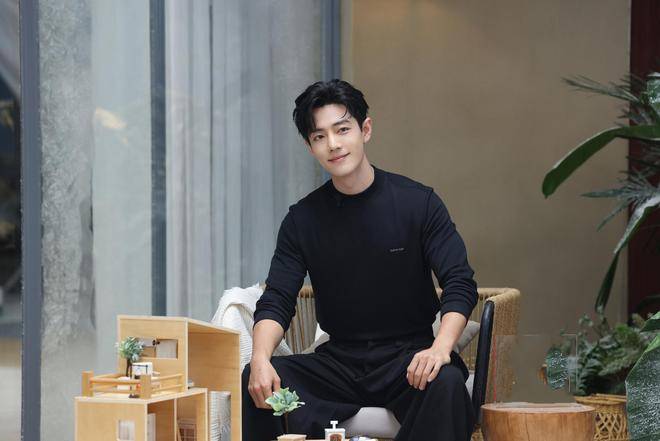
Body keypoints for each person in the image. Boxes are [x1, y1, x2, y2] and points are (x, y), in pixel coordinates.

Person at [242, 79, 478, 441]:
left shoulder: (418, 203)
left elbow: (459, 283)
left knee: (445, 382)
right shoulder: (301, 220)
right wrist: (260, 359)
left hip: (408, 360)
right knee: (258, 380)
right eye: (319, 136)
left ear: (365, 129)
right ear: (310, 147)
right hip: (339, 365)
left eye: (342, 130)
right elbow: (277, 299)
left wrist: (440, 348)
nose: (333, 144)